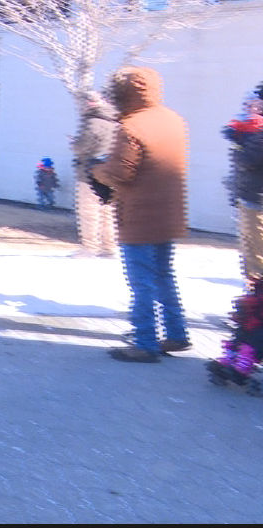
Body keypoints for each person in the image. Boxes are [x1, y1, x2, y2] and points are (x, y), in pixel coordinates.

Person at [90, 66, 190, 363]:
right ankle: (176, 333)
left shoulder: (131, 126)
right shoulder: (173, 119)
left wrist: (94, 169)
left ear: (123, 95)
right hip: (169, 212)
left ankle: (144, 342)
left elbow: (120, 173)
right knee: (163, 275)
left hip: (139, 215)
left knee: (141, 281)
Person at [222, 86, 263, 289]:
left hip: (256, 199)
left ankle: (254, 310)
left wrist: (238, 142)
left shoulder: (257, 131)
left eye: (255, 102)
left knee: (255, 255)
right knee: (251, 253)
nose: (251, 107)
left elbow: (249, 158)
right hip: (249, 196)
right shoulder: (253, 128)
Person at [70, 90, 119, 257]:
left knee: (89, 211)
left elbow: (82, 147)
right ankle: (109, 247)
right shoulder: (116, 122)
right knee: (107, 211)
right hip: (110, 173)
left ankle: (90, 248)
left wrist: (74, 144)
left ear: (90, 103)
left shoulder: (93, 122)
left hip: (89, 173)